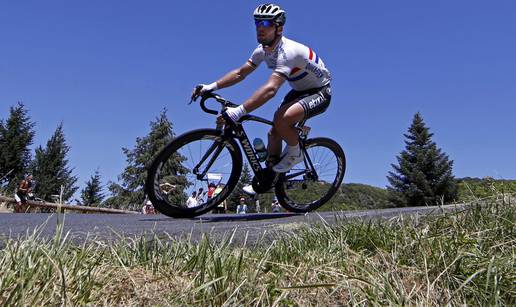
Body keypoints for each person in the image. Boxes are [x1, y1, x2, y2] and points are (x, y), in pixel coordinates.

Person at [192, 3, 332, 174]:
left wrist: (239, 111)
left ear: (279, 28)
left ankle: (296, 154)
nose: (260, 28)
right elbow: (239, 73)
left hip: (320, 91)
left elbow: (271, 89)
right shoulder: (262, 51)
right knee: (273, 132)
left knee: (282, 119)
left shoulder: (288, 52)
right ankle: (270, 175)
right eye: (257, 23)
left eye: (265, 23)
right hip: (300, 90)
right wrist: (210, 86)